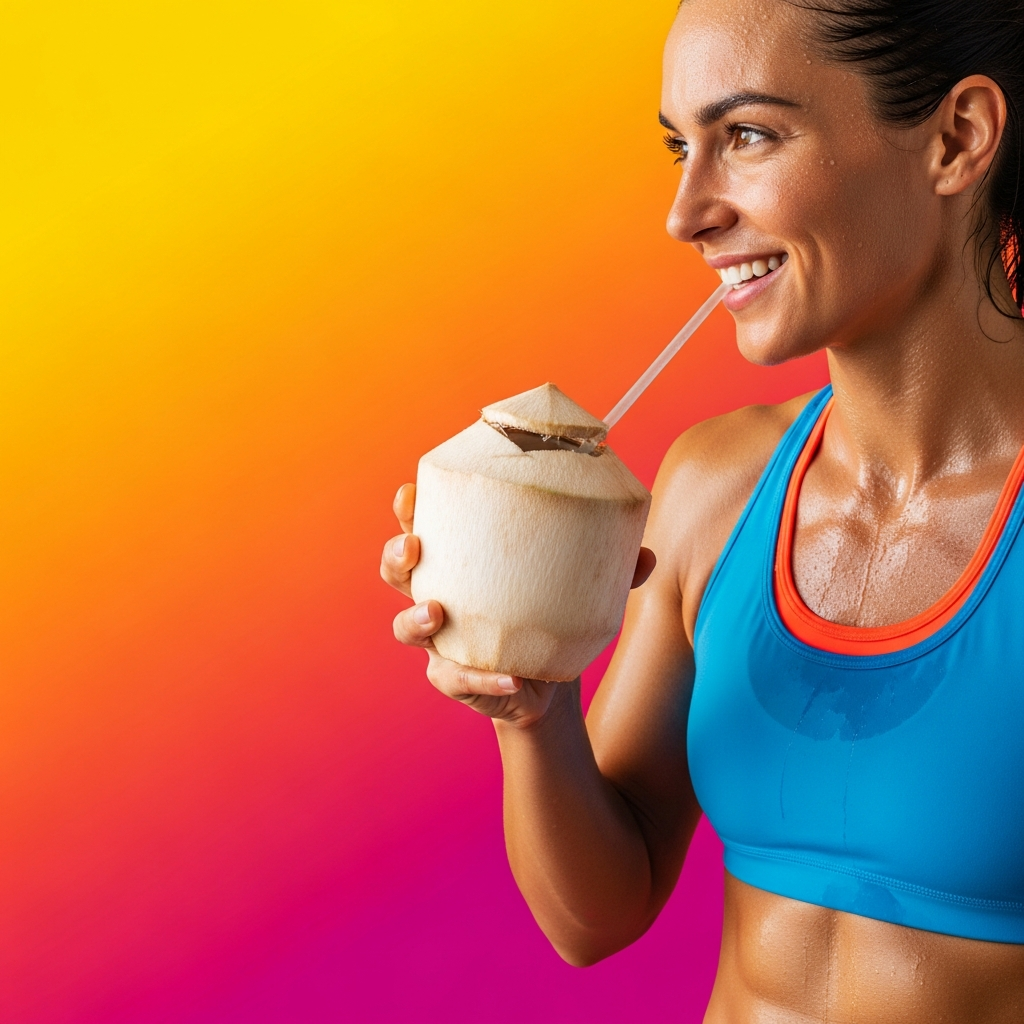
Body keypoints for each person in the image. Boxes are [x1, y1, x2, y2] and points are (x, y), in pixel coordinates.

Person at [381, 0, 1024, 1018]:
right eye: (682, 147)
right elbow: (594, 913)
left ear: (956, 139)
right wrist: (531, 705)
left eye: (749, 136)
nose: (685, 213)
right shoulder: (712, 487)